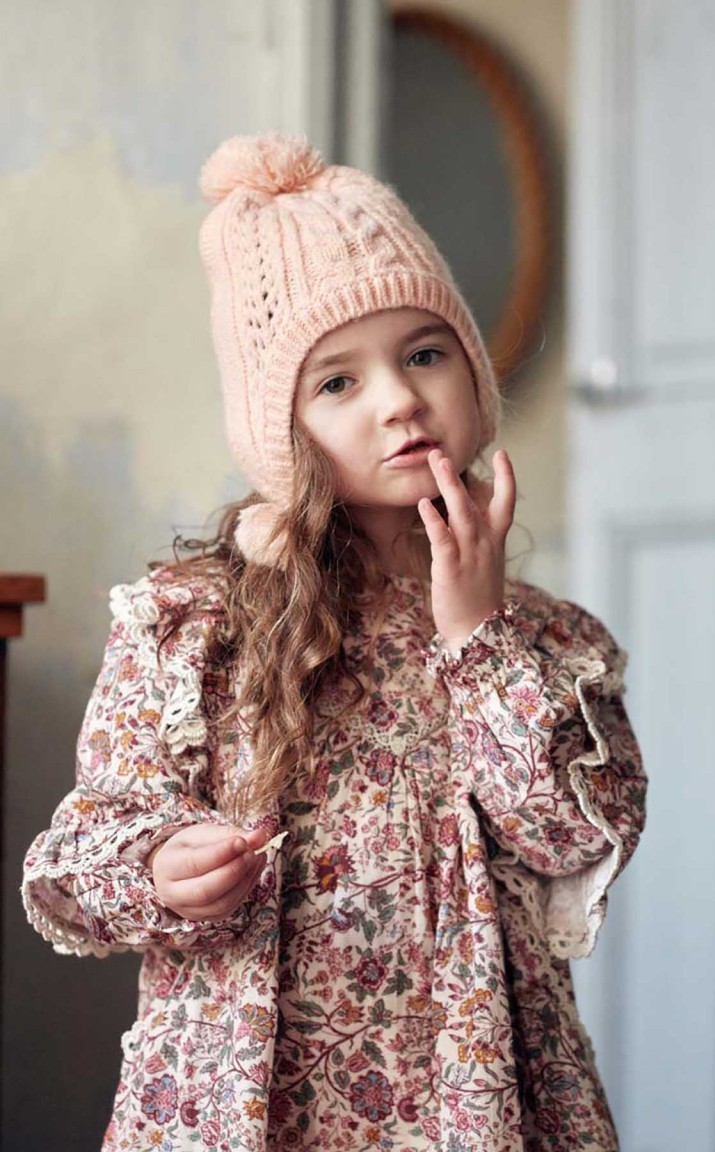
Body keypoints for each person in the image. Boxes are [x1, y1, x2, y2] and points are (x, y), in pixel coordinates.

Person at [22, 132, 647, 1152]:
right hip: (254, 1104)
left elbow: (577, 839)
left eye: (425, 354)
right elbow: (73, 864)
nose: (400, 399)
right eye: (338, 383)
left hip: (474, 1103)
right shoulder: (194, 624)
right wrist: (159, 864)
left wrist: (478, 638)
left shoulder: (552, 641)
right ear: (279, 429)